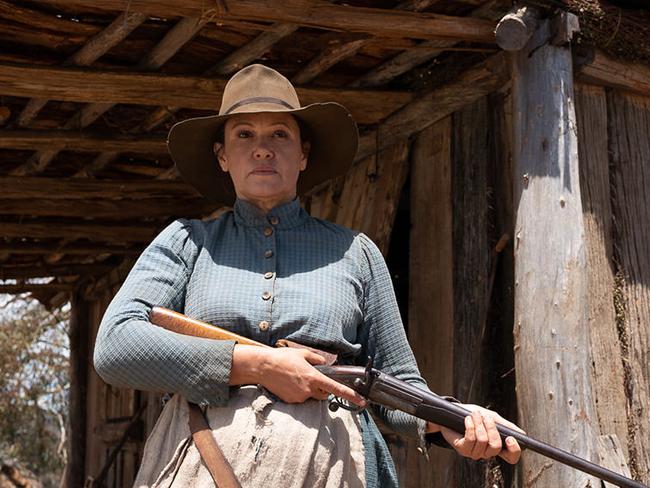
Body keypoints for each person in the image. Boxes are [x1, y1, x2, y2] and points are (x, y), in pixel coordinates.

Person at [94, 64, 522, 487]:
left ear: (303, 154)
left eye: (280, 134)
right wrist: (261, 365)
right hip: (198, 464)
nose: (262, 148)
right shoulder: (187, 241)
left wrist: (449, 421)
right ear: (222, 157)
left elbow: (398, 385)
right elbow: (116, 344)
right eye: (244, 134)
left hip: (334, 468)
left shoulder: (357, 253)